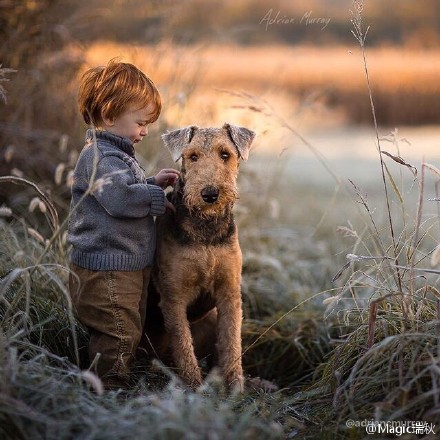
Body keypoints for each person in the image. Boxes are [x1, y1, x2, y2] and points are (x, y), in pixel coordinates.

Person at [67, 59, 179, 389]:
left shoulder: (116, 152)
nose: (145, 130)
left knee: (130, 326)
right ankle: (108, 391)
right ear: (109, 114)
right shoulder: (98, 155)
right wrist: (156, 199)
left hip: (124, 266)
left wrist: (151, 182)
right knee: (118, 331)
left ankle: (118, 376)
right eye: (141, 122)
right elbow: (117, 199)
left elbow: (122, 188)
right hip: (107, 270)